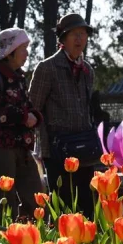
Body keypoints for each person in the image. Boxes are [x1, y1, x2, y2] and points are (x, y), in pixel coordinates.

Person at [29, 13, 96, 218]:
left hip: (83, 147)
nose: (79, 39)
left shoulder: (87, 71)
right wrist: (41, 146)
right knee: (61, 205)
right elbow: (33, 108)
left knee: (88, 205)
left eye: (83, 34)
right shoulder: (46, 68)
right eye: (74, 34)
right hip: (57, 149)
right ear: (63, 39)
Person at [0, 28, 45, 221]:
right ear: (10, 51)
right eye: (23, 48)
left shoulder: (19, 79)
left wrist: (34, 116)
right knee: (5, 205)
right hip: (1, 151)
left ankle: (32, 243)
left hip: (23, 149)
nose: (27, 54)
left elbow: (28, 106)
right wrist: (24, 117)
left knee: (35, 200)